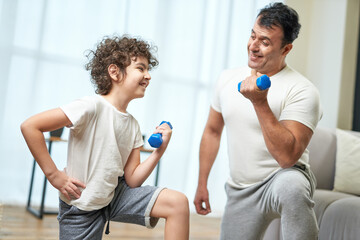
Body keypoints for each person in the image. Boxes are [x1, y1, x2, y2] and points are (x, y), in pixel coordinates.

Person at [21, 35, 189, 240]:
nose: (148, 75)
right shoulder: (90, 106)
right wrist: (54, 175)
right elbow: (31, 126)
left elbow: (133, 179)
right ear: (114, 72)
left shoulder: (133, 125)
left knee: (178, 204)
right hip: (81, 205)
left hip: (115, 196)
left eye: (148, 69)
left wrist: (159, 151)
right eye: (141, 68)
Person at [194, 2, 322, 240]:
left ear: (286, 49)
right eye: (253, 36)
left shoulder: (303, 90)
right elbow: (212, 131)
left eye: (265, 42)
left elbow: (287, 157)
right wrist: (202, 183)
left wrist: (260, 103)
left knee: (293, 187)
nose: (253, 46)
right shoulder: (227, 78)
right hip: (241, 189)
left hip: (282, 177)